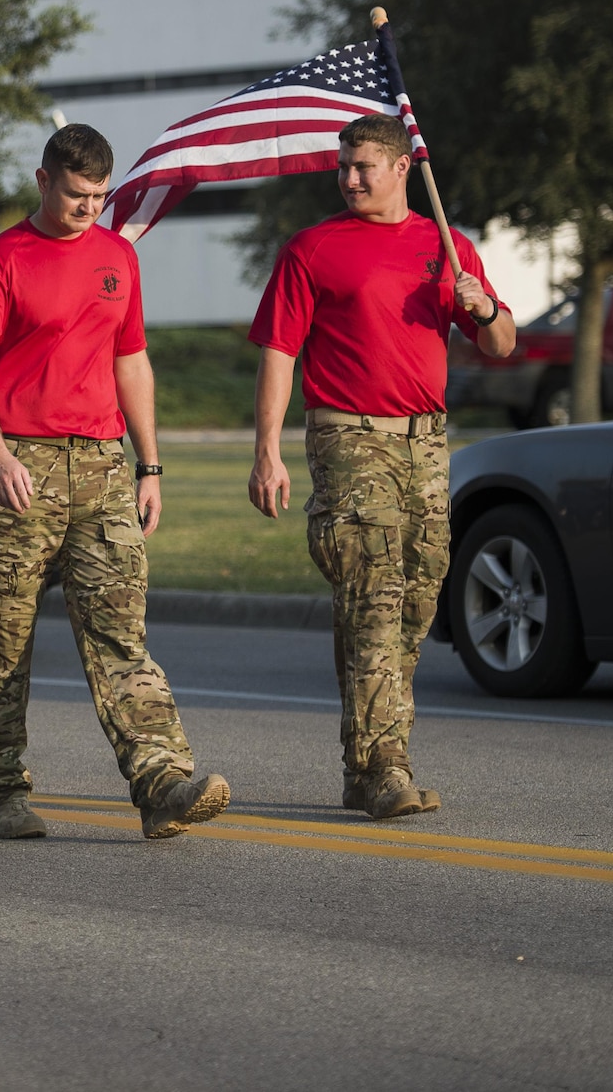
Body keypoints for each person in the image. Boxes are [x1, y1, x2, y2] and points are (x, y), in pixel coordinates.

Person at [0, 125, 231, 841]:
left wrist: (151, 462)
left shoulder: (116, 258)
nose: (88, 209)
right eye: (77, 195)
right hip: (19, 470)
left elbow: (131, 360)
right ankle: (3, 788)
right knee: (5, 642)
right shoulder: (0, 260)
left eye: (100, 197)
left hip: (102, 466)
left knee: (120, 634)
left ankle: (162, 779)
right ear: (44, 181)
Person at [247, 113, 515, 820]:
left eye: (363, 165)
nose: (349, 178)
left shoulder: (447, 246)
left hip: (425, 441)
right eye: (344, 166)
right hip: (348, 434)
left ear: (404, 168)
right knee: (373, 591)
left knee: (419, 597)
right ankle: (387, 765)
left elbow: (502, 343)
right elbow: (279, 350)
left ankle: (362, 765)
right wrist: (266, 449)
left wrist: (482, 305)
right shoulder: (312, 249)